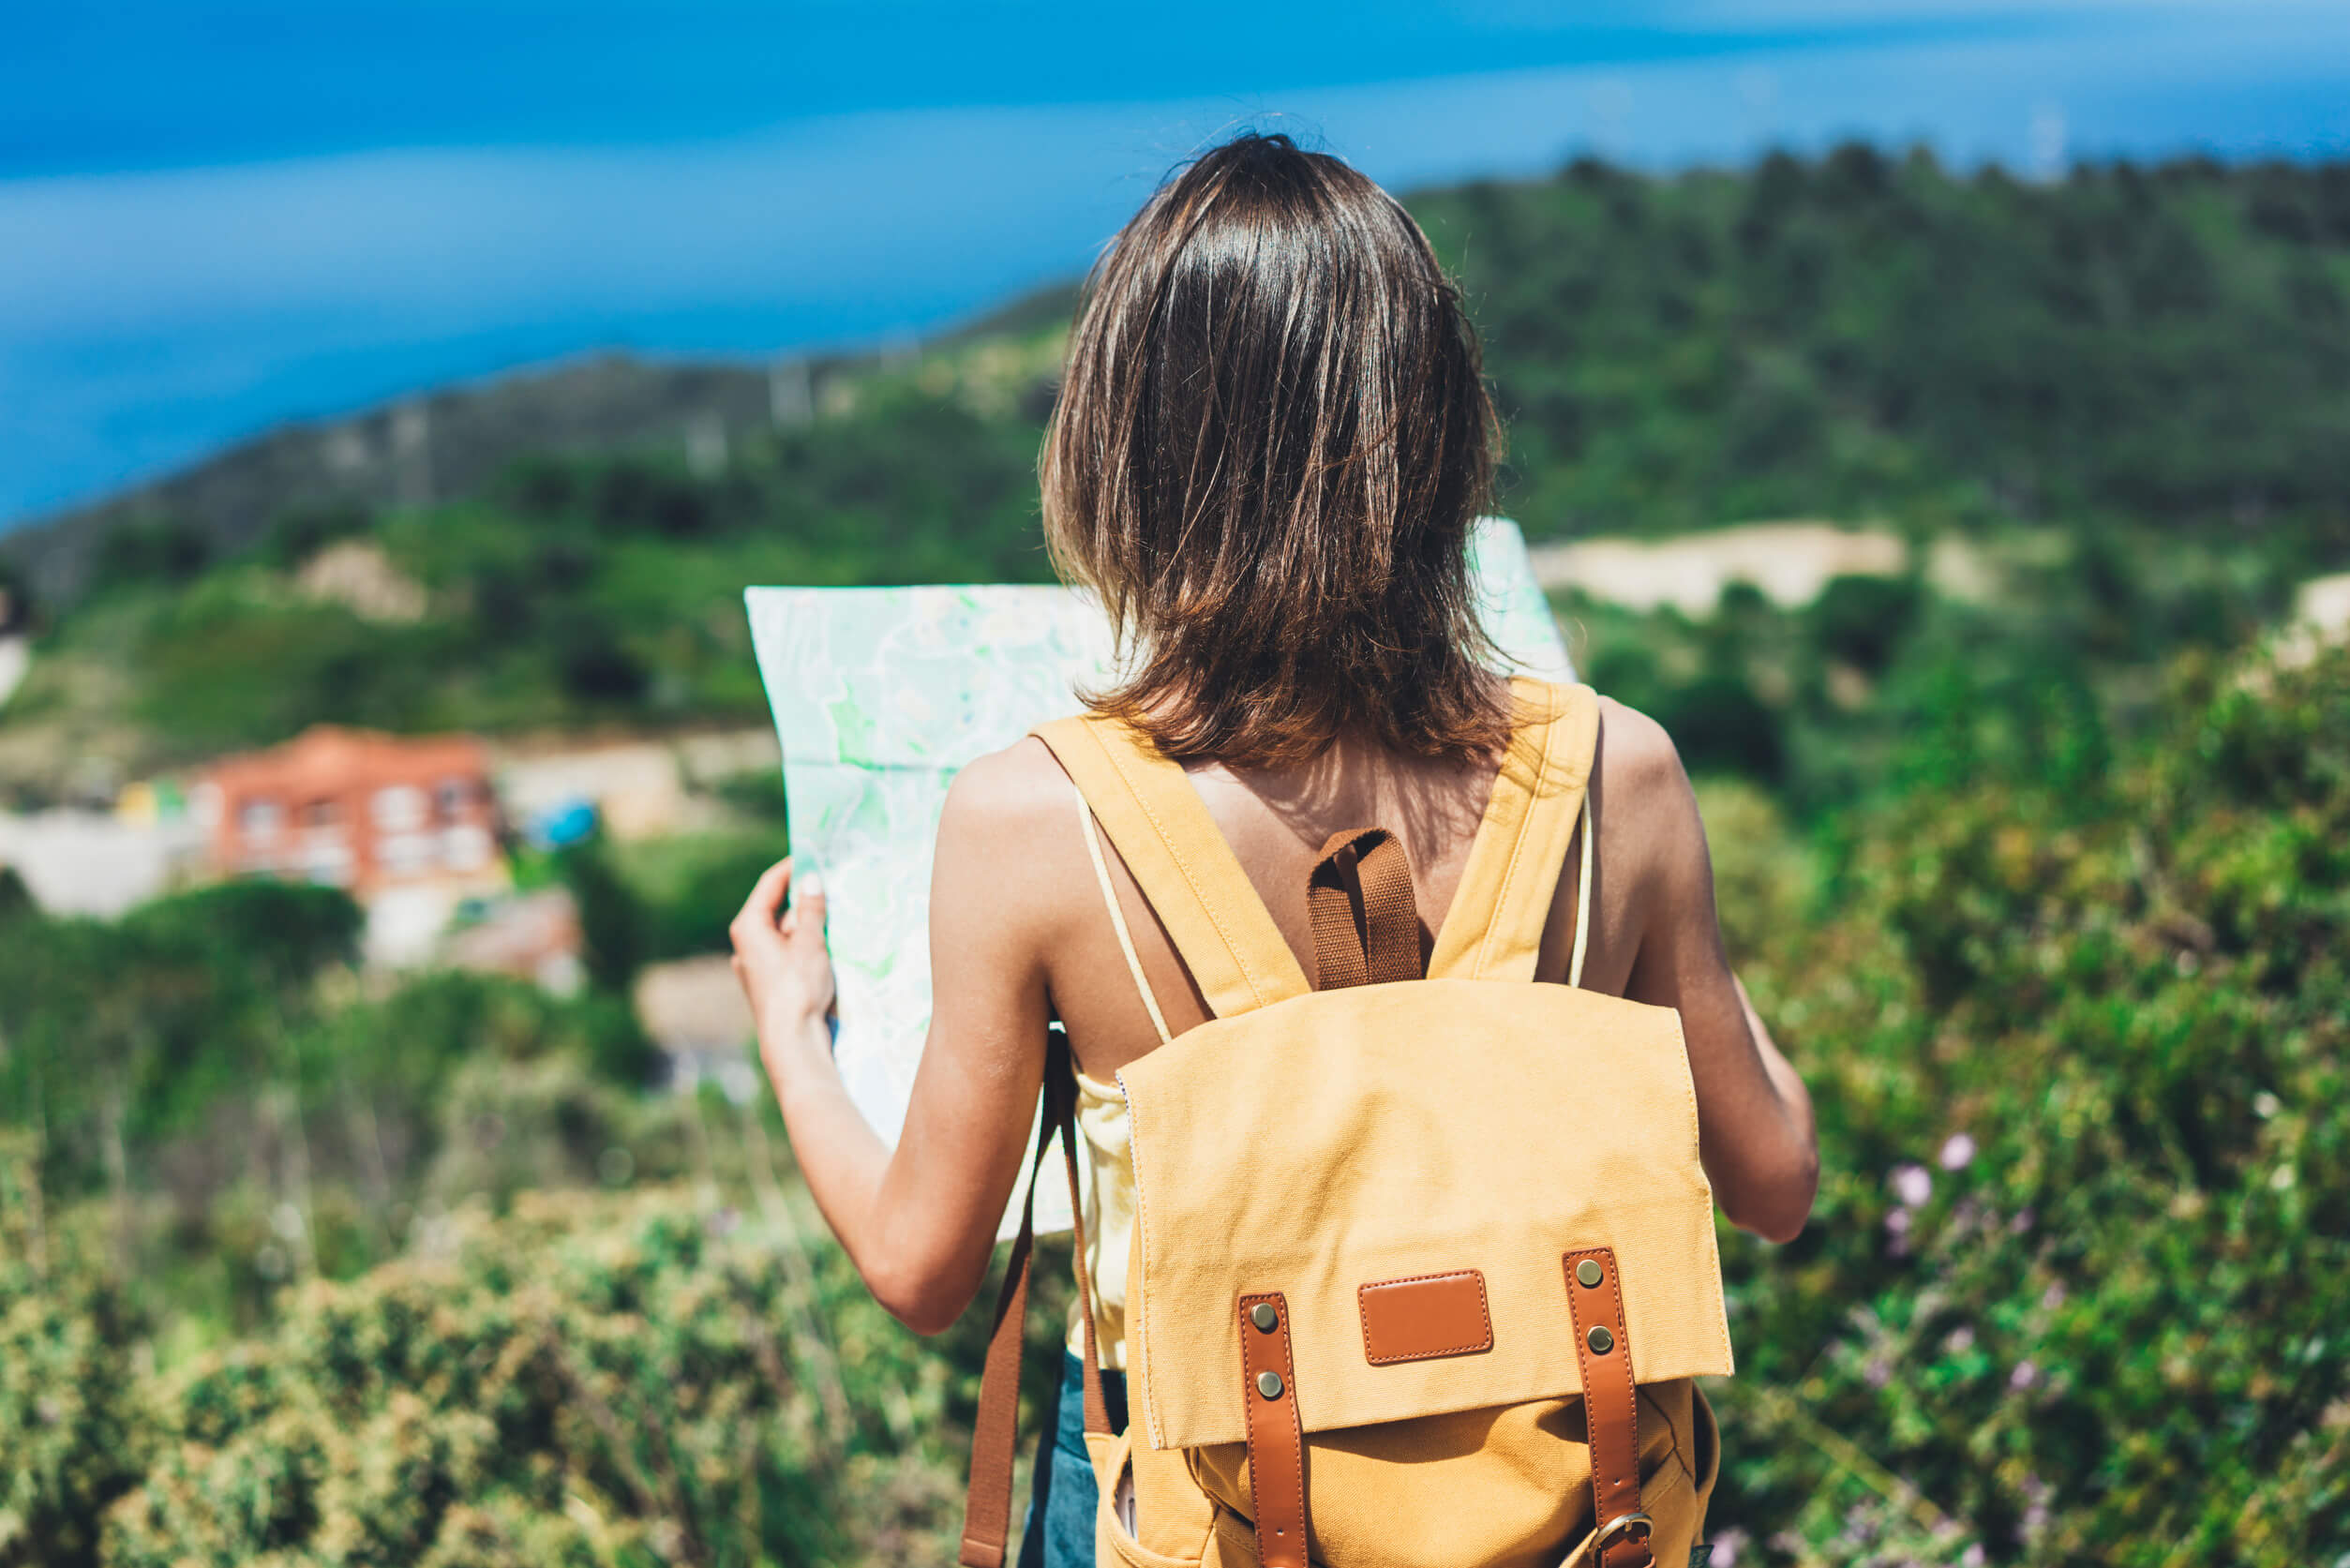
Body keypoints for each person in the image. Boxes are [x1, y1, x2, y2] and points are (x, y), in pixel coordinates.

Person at [731, 130, 1818, 1567]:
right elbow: (1777, 1178)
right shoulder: (1618, 772)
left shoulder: (1028, 820)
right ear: (1435, 433)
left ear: (1127, 445)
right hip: (1564, 1514)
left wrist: (789, 1030)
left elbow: (922, 1265)